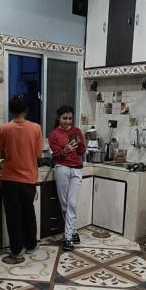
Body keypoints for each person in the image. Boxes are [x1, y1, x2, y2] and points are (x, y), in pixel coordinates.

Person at [0, 94, 43, 262]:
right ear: (26, 109)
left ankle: (16, 249)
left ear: (11, 109)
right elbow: (37, 154)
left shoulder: (3, 128)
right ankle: (31, 244)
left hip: (9, 179)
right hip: (28, 179)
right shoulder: (36, 128)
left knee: (13, 215)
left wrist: (8, 157)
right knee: (29, 212)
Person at [48, 106, 86, 251]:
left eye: (70, 118)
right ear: (59, 118)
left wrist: (81, 144)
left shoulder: (76, 131)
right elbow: (55, 155)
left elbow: (82, 151)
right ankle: (73, 231)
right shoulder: (54, 134)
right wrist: (65, 150)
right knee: (65, 204)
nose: (68, 121)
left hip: (76, 169)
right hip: (62, 169)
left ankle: (68, 237)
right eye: (65, 118)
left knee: (72, 203)